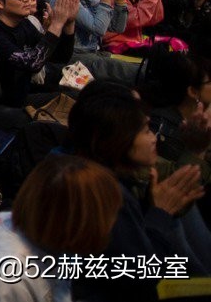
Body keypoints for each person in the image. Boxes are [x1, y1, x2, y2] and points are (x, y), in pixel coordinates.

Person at [68, 83, 206, 301]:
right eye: (146, 130)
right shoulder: (105, 195)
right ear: (119, 138)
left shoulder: (114, 177)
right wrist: (161, 214)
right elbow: (146, 282)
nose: (154, 138)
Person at [0, 155, 123, 302]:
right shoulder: (6, 281)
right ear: (75, 220)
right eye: (107, 213)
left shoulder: (44, 236)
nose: (112, 223)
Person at [0, 0, 79, 107]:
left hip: (25, 90)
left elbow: (59, 57)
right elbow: (32, 63)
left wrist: (69, 23)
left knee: (82, 92)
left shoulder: (24, 24)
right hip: (4, 103)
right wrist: (56, 24)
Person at [50, 0, 134, 82]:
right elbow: (98, 29)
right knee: (131, 72)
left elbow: (117, 27)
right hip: (75, 58)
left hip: (95, 53)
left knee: (136, 66)